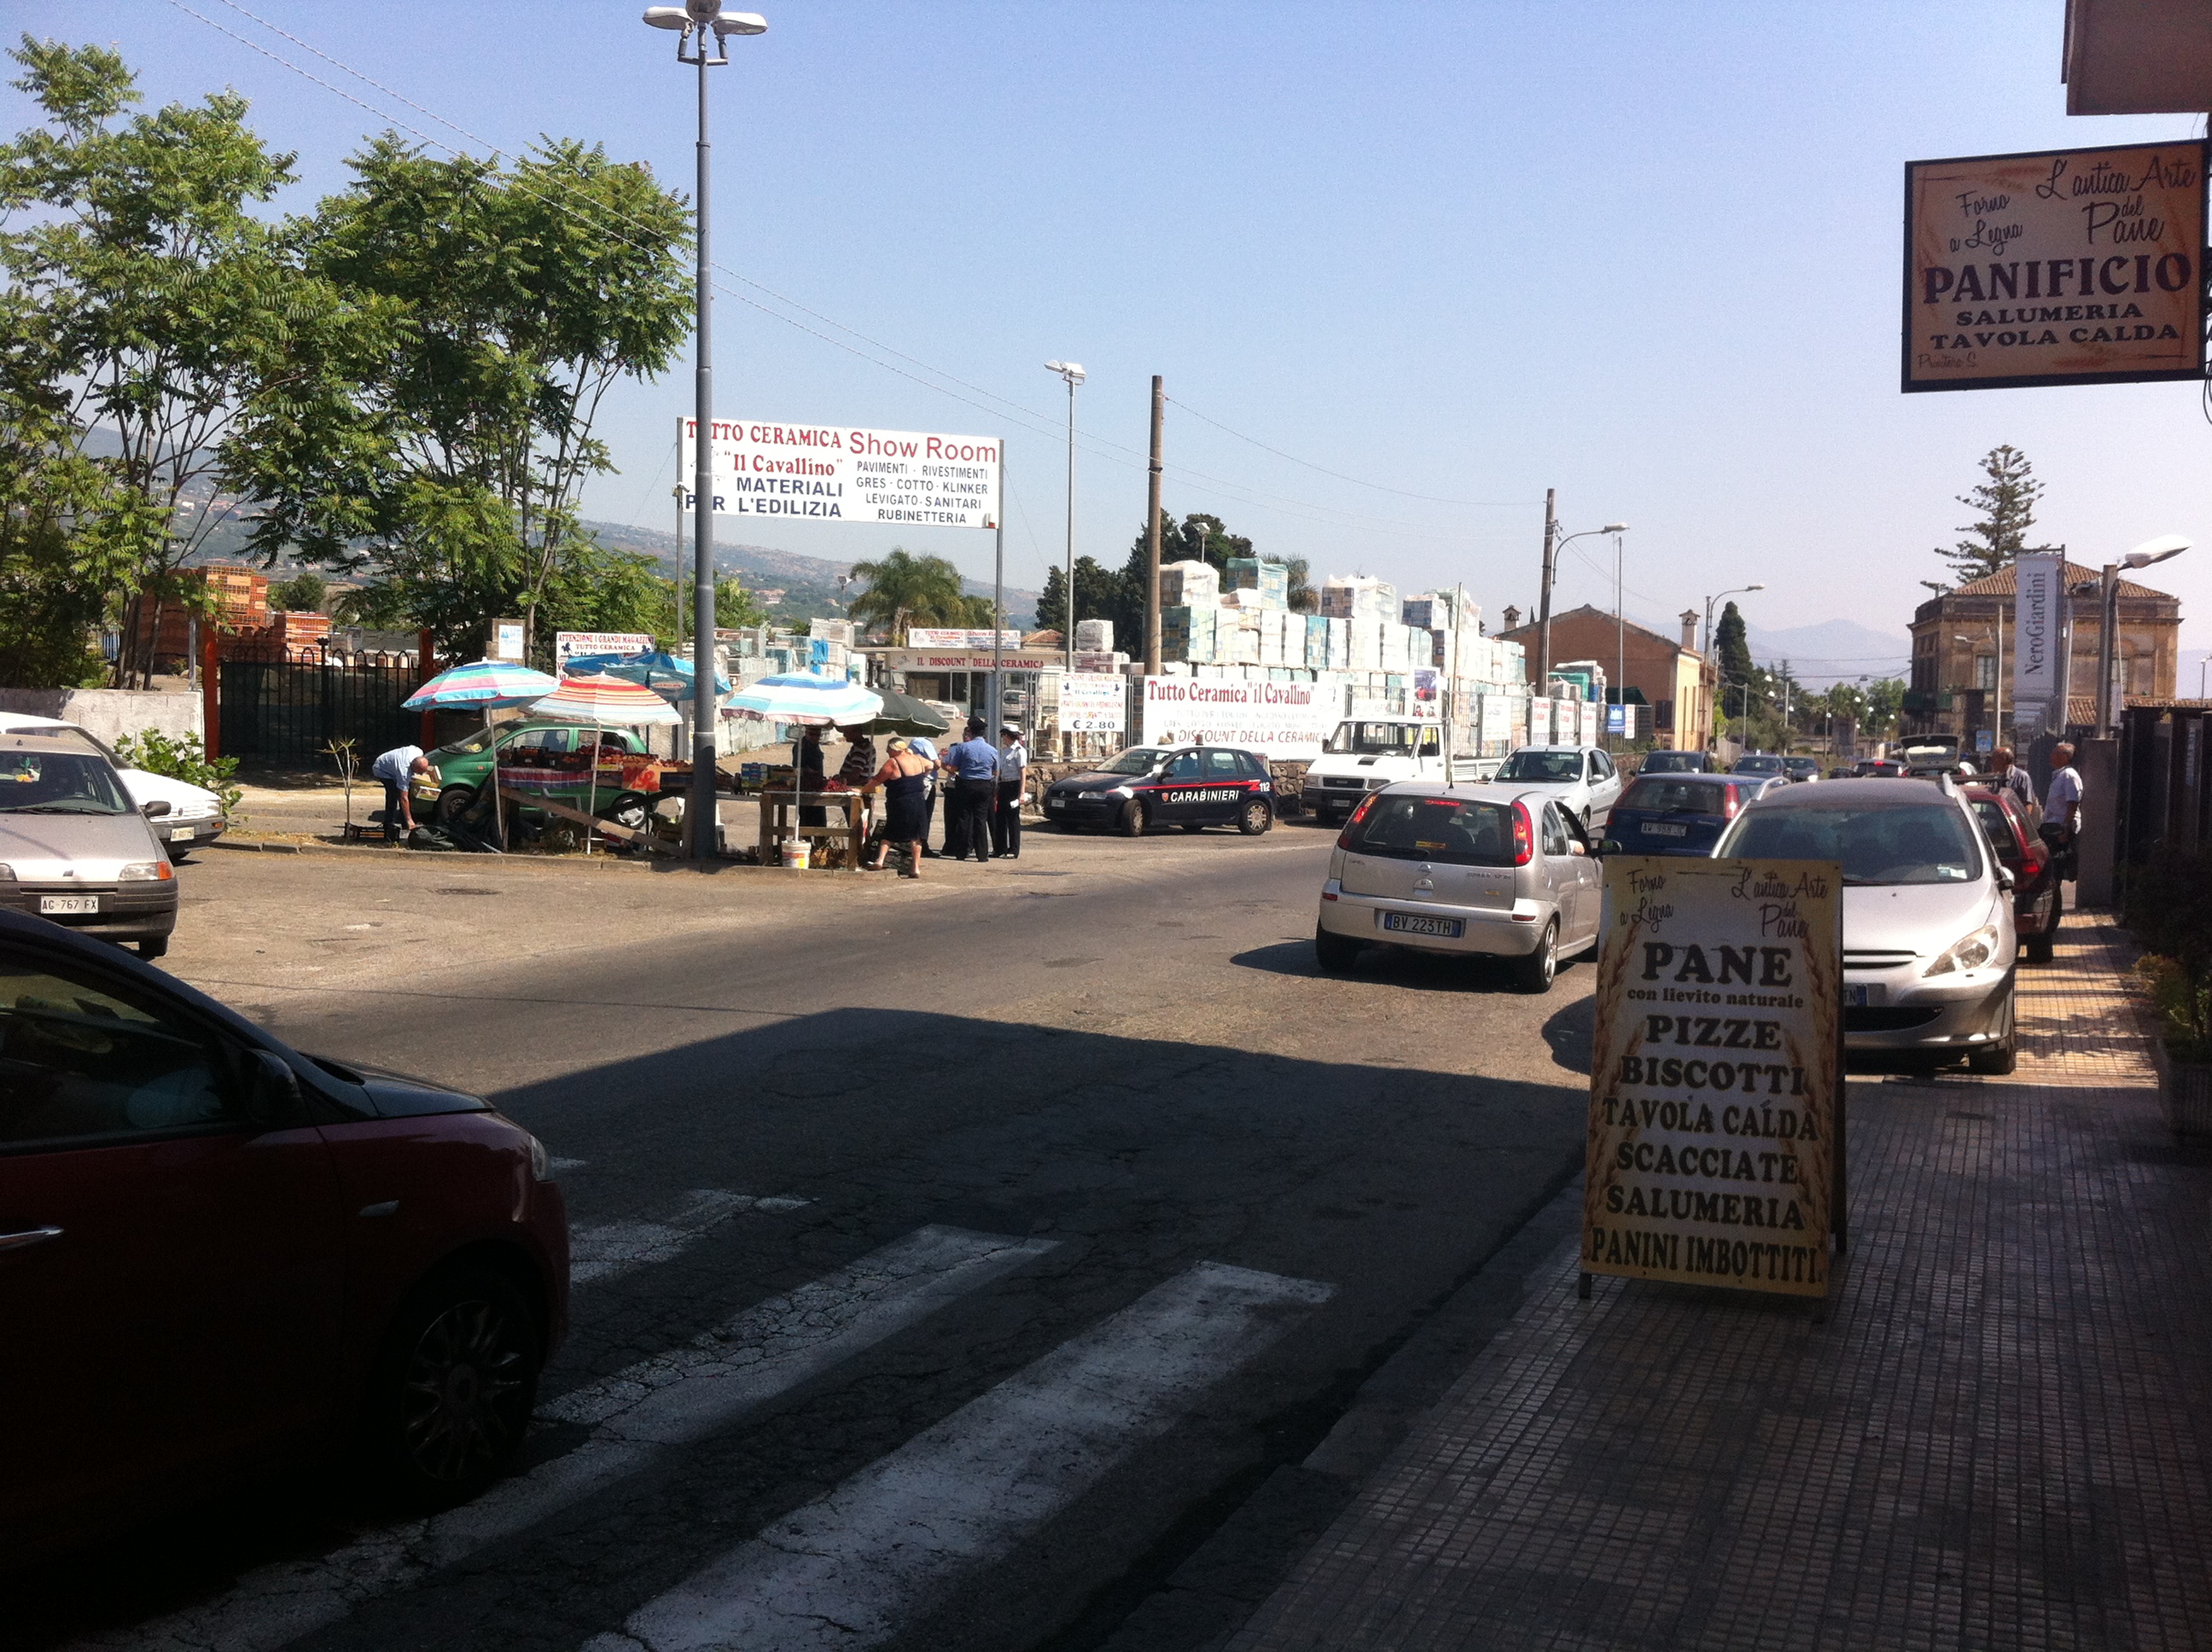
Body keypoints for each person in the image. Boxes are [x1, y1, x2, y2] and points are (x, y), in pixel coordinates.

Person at [865, 736, 935, 875]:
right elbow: (931, 765)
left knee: (890, 832)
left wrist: (862, 790)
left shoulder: (893, 762)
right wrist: (923, 774)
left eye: (888, 748)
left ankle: (880, 860)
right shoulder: (917, 759)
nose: (886, 751)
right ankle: (915, 868)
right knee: (916, 836)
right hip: (918, 800)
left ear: (895, 750)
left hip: (899, 801)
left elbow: (877, 779)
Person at [939, 717, 1001, 864]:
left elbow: (954, 768)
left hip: (966, 784)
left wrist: (946, 765)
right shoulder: (992, 750)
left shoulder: (963, 748)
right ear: (983, 734)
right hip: (985, 786)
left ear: (970, 733)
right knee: (980, 819)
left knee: (964, 818)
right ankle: (982, 854)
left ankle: (962, 852)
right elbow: (995, 772)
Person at [371, 742, 434, 842]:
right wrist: (410, 820)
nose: (421, 774)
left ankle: (404, 820)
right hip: (382, 769)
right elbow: (403, 798)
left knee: (408, 791)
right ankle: (389, 825)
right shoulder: (403, 772)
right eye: (419, 772)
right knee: (393, 795)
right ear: (413, 767)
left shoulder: (418, 751)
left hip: (394, 764)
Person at [2041, 741, 2082, 880]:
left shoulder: (2069, 775)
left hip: (2061, 829)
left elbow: (2073, 803)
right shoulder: (2059, 775)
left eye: (2056, 753)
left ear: (2065, 757)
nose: (2051, 756)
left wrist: (2065, 829)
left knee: (2057, 870)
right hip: (2053, 827)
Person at [992, 724, 1028, 859]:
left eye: (1004, 736)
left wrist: (1022, 792)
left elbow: (1023, 772)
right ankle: (1000, 848)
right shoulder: (1006, 751)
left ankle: (1013, 848)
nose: (1003, 739)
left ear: (1007, 736)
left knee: (1012, 818)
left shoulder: (1019, 751)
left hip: (1014, 784)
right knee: (1000, 818)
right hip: (1004, 784)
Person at [906, 732, 941, 857]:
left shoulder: (915, 741)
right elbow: (937, 764)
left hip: (919, 781)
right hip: (926, 781)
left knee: (920, 814)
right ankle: (922, 845)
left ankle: (918, 843)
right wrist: (939, 760)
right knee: (925, 815)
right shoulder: (923, 742)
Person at [1988, 746, 2036, 821]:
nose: (1992, 762)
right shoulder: (1994, 778)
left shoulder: (2022, 777)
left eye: (1994, 759)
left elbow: (2028, 804)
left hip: (2014, 823)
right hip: (1995, 823)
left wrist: (2022, 823)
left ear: (2003, 760)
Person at [795, 725, 826, 828]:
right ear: (806, 733)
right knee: (806, 820)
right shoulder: (801, 747)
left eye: (817, 735)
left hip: (817, 787)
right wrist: (809, 771)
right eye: (812, 735)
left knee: (820, 822)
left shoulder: (815, 746)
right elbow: (797, 768)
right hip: (805, 788)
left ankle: (820, 843)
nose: (815, 738)